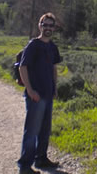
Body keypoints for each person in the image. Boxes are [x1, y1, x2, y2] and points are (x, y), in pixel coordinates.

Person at [17, 12, 61, 174]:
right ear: (39, 26)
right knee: (32, 131)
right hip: (35, 95)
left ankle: (41, 159)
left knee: (44, 130)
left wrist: (54, 88)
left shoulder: (52, 47)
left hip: (48, 94)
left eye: (51, 25)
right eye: (45, 25)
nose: (48, 28)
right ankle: (25, 166)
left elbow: (54, 68)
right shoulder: (33, 45)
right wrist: (30, 90)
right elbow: (23, 67)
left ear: (54, 28)